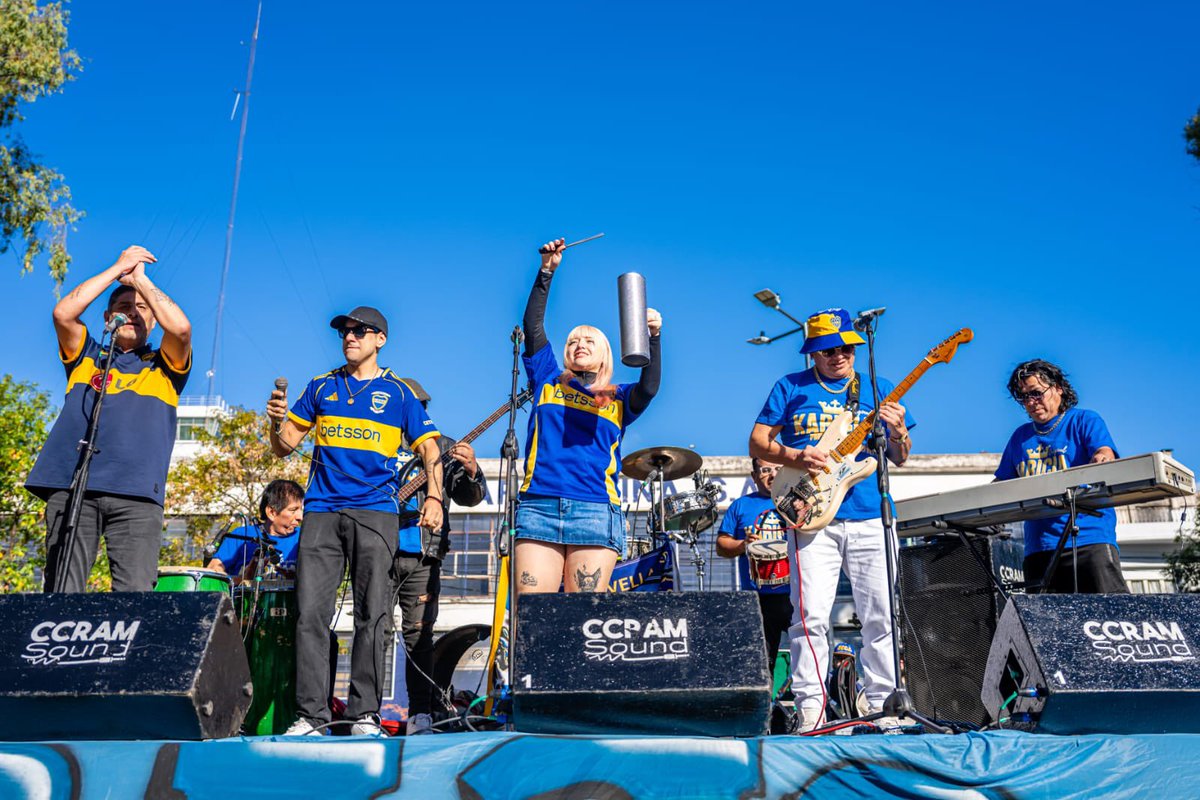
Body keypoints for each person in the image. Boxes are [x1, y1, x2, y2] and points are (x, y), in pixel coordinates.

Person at [267, 306, 444, 737]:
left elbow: (431, 449)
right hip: (323, 511)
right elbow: (284, 447)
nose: (350, 336)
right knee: (310, 615)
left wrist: (435, 496)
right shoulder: (321, 386)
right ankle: (311, 716)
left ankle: (365, 714)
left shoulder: (400, 393)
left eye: (360, 331)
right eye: (345, 331)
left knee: (372, 616)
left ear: (380, 339)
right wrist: (274, 423)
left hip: (375, 513)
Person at [748, 307, 914, 732]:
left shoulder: (879, 387)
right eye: (827, 350)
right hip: (810, 516)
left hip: (868, 515)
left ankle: (884, 708)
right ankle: (811, 712)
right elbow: (758, 441)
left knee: (880, 614)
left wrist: (897, 431)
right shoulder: (790, 386)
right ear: (813, 354)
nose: (837, 356)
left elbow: (900, 456)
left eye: (845, 348)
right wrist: (796, 455)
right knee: (810, 616)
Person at [27, 245, 192, 592]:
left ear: (152, 320)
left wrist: (141, 281)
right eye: (123, 308)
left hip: (136, 493)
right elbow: (63, 313)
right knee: (62, 593)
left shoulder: (163, 366)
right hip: (72, 486)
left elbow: (180, 329)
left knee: (134, 599)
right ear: (108, 318)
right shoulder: (87, 354)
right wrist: (118, 268)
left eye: (141, 310)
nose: (132, 314)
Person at [515, 238, 662, 594]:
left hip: (595, 511)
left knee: (582, 622)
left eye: (589, 341)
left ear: (604, 355)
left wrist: (654, 338)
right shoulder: (548, 379)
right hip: (539, 506)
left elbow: (650, 387)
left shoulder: (618, 397)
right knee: (535, 618)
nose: (578, 344)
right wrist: (546, 271)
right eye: (572, 342)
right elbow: (533, 328)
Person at [390, 378, 486, 736]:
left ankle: (421, 713)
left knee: (419, 634)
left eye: (421, 407)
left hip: (424, 552)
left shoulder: (443, 446)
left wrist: (473, 469)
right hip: (378, 547)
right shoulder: (377, 440)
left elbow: (471, 498)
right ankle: (364, 713)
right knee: (375, 629)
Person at [994, 359, 1128, 594]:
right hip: (1039, 549)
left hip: (1089, 540)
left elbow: (1104, 453)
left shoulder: (1084, 420)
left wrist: (1101, 459)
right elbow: (1000, 486)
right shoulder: (1020, 438)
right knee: (1044, 628)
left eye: (1036, 393)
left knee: (1110, 617)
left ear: (1058, 388)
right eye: (1024, 398)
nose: (1031, 403)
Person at [715, 456, 793, 661]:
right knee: (761, 661)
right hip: (757, 597)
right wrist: (744, 544)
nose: (773, 474)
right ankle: (764, 694)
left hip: (795, 593)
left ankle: (813, 694)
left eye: (778, 468)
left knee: (809, 651)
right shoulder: (740, 505)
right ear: (754, 476)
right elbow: (722, 546)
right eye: (765, 470)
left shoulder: (798, 500)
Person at [207, 479, 305, 581]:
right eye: (293, 510)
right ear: (271, 512)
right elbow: (213, 569)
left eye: (301, 509)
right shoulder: (241, 535)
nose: (300, 517)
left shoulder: (304, 537)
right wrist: (242, 580)